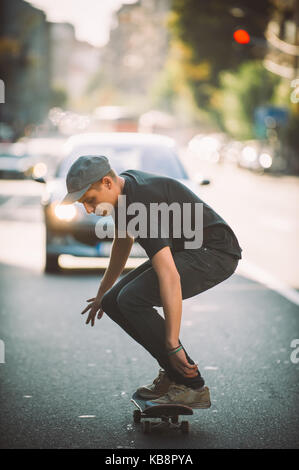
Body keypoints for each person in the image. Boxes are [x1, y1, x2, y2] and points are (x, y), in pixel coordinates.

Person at [61, 155, 242, 408]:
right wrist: (102, 292)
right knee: (113, 301)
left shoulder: (140, 204)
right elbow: (122, 242)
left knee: (132, 298)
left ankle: (191, 386)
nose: (89, 210)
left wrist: (172, 343)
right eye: (84, 205)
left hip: (215, 253)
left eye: (90, 200)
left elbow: (169, 275)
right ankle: (172, 374)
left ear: (107, 183)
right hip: (189, 250)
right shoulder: (125, 190)